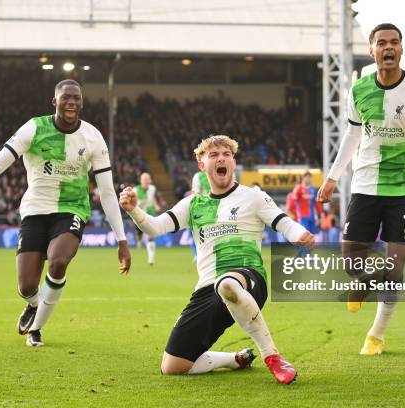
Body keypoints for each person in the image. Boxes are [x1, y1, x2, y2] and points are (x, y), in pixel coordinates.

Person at [0, 79, 131, 347]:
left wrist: (122, 240)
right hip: (35, 209)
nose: (71, 102)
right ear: (54, 101)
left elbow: (106, 191)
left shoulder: (93, 137)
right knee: (26, 287)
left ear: (81, 103)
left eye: (76, 98)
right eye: (65, 97)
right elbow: (0, 162)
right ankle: (34, 305)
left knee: (58, 261)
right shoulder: (34, 128)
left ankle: (37, 328)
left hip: (71, 209)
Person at [120, 135, 314, 384]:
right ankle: (234, 359)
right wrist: (134, 210)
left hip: (248, 277)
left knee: (227, 283)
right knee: (174, 365)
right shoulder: (193, 204)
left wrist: (300, 235)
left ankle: (273, 357)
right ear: (202, 165)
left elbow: (282, 221)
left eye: (226, 154)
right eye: (213, 155)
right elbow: (156, 228)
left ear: (233, 162)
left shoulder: (252, 196)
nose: (221, 158)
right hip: (207, 290)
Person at [318, 23, 405, 356]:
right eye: (381, 43)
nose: (388, 48)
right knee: (351, 261)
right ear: (372, 50)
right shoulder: (359, 89)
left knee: (396, 266)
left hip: (404, 187)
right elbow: (352, 135)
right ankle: (365, 281)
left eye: (395, 42)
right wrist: (333, 176)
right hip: (365, 183)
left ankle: (376, 334)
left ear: (401, 49)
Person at [133, 172, 161, 265]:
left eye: (148, 179)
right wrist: (141, 203)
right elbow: (133, 204)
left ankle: (151, 258)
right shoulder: (135, 190)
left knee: (150, 235)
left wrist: (156, 205)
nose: (146, 181)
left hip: (150, 214)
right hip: (139, 215)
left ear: (150, 180)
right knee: (139, 235)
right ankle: (139, 240)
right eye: (144, 179)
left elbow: (152, 198)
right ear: (141, 180)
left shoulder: (152, 188)